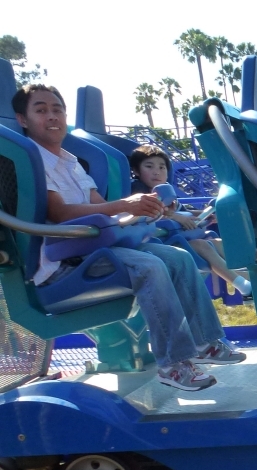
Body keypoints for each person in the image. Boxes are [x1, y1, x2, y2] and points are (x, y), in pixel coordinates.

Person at [12, 83, 244, 391]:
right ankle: (173, 364)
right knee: (149, 267)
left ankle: (206, 342)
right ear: (22, 119)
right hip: (63, 261)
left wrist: (141, 210)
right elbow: (59, 214)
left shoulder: (69, 161)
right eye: (41, 110)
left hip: (92, 246)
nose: (52, 116)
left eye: (57, 110)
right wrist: (124, 204)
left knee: (178, 257)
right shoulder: (30, 162)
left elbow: (98, 206)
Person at [128, 145, 252, 297]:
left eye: (162, 167)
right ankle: (243, 286)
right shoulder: (138, 192)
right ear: (135, 171)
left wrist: (208, 213)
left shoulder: (166, 191)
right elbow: (148, 213)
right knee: (201, 245)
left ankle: (252, 271)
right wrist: (174, 217)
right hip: (156, 245)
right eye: (149, 166)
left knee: (216, 241)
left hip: (177, 239)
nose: (157, 172)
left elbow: (184, 211)